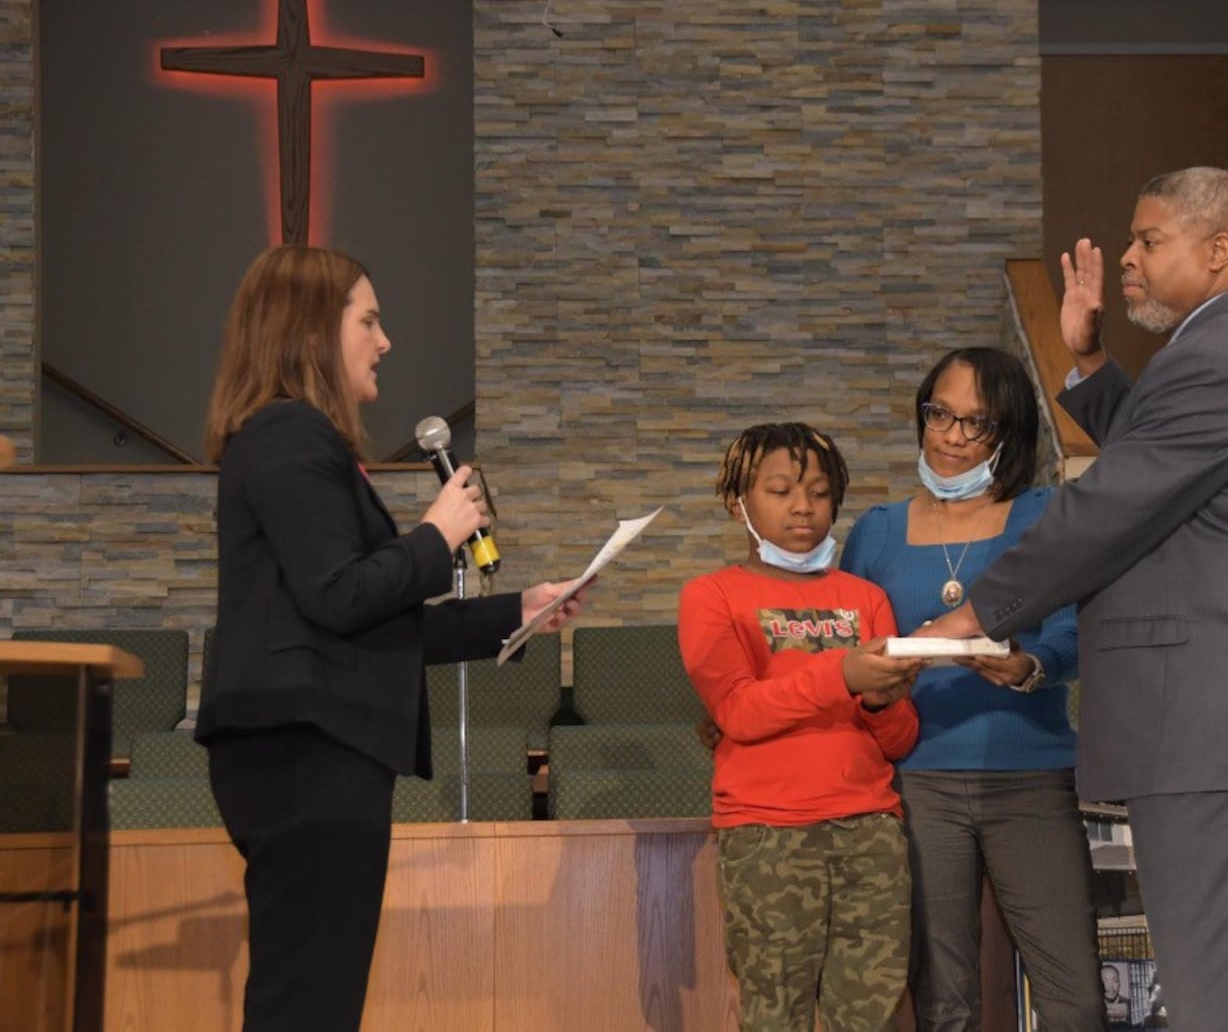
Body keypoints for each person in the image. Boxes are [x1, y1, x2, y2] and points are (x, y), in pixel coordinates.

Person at [918, 168, 1228, 1032]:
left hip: (1223, 722)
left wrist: (978, 612)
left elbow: (1112, 506)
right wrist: (1087, 359)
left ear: (1219, 249)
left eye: (1148, 241)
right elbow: (1168, 468)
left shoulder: (1222, 358)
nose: (1127, 259)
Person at [197, 245, 584, 1032]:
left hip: (312, 749)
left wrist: (519, 609)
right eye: (368, 320)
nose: (386, 340)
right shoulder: (287, 435)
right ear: (310, 332)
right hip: (304, 751)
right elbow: (341, 595)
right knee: (306, 998)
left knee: (317, 993)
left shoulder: (297, 441)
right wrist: (438, 535)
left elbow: (367, 621)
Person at [839, 347, 1103, 1031]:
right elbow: (847, 651)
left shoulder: (1047, 514)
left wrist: (1030, 665)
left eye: (976, 424)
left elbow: (1077, 635)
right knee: (942, 1001)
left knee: (1073, 993)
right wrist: (874, 682)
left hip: (1032, 777)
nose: (952, 438)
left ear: (1010, 433)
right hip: (916, 784)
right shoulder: (874, 532)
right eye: (940, 415)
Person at [678, 422, 925, 1032]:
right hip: (768, 833)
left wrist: (876, 704)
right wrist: (842, 674)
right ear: (740, 502)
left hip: (869, 829)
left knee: (870, 1013)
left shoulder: (865, 597)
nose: (802, 507)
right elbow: (739, 711)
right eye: (781, 490)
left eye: (817, 492)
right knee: (775, 1012)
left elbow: (900, 739)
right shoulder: (711, 596)